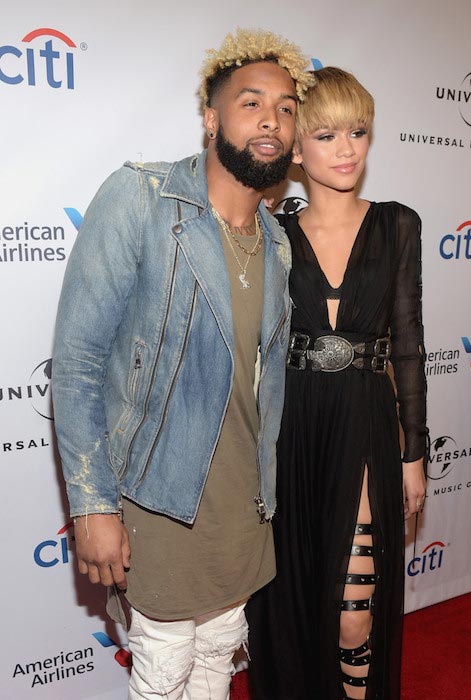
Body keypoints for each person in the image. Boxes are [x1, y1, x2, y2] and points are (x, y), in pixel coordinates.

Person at [51, 29, 314, 700]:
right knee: (164, 670)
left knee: (219, 656)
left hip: (241, 501)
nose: (271, 120)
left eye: (285, 108)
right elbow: (78, 362)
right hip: (156, 496)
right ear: (210, 117)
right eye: (250, 102)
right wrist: (91, 505)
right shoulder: (141, 198)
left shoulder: (277, 243)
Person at [246, 67, 428, 700]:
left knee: (355, 613)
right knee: (293, 605)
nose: (348, 148)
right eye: (327, 134)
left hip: (365, 422)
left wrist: (413, 452)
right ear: (296, 148)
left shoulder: (397, 224)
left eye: (359, 131)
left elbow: (407, 343)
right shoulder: (270, 233)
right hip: (291, 430)